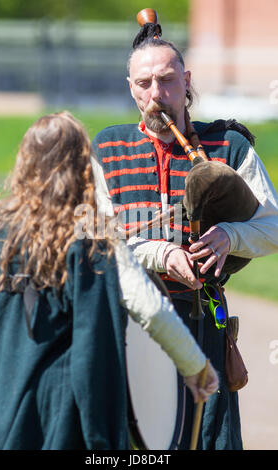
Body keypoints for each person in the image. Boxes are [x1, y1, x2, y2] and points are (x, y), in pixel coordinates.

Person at [0, 111, 218, 450]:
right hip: (62, 410)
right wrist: (195, 365)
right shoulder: (92, 241)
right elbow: (148, 307)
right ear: (83, 169)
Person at [91, 25, 278, 450]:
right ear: (131, 88)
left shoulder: (228, 146)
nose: (157, 93)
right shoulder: (107, 148)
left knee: (210, 441)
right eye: (144, 83)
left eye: (167, 80)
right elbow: (93, 239)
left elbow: (273, 226)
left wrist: (230, 236)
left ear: (187, 81)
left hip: (202, 322)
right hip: (127, 329)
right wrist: (158, 254)